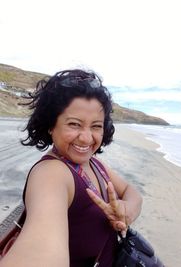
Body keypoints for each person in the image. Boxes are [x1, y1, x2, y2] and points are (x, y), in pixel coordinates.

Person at [1, 69, 142, 267]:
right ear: (51, 125)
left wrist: (127, 211)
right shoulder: (51, 174)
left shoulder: (96, 164)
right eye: (74, 124)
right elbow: (41, 253)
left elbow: (131, 191)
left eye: (96, 126)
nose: (86, 138)